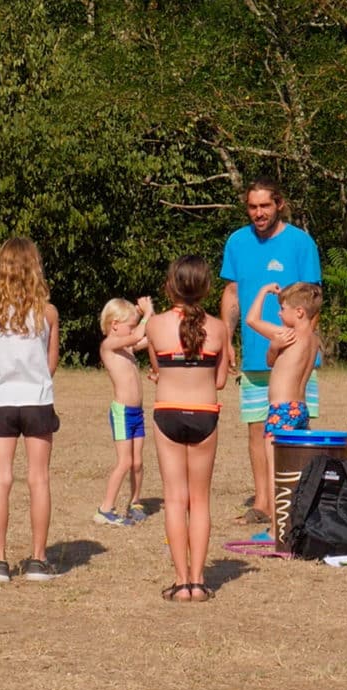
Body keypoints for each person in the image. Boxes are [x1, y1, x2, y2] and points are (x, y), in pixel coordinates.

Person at [220, 177, 321, 524]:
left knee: (295, 434)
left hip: (292, 360)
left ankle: (297, 501)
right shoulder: (236, 242)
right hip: (254, 354)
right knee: (256, 428)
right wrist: (225, 340)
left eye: (265, 205)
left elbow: (313, 299)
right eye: (252, 206)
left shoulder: (301, 243)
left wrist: (307, 349)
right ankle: (263, 503)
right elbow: (232, 294)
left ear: (279, 204)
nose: (258, 213)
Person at [146, 255, 229, 602]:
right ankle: (198, 581)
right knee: (200, 500)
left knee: (175, 500)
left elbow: (157, 370)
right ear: (206, 288)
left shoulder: (155, 326)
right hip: (204, 413)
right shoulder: (220, 328)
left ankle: (180, 582)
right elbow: (221, 380)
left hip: (167, 413)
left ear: (170, 286)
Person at [0, 237, 60, 583]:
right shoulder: (48, 312)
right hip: (37, 398)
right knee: (38, 478)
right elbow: (50, 362)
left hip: (1, 401)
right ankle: (39, 560)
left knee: (0, 479)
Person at [245, 281, 323, 507]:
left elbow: (251, 320)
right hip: (300, 409)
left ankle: (274, 525)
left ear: (299, 312)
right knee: (296, 470)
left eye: (283, 308)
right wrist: (273, 346)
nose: (279, 313)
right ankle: (294, 519)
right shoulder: (313, 340)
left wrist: (261, 291)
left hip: (281, 410)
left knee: (275, 468)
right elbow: (272, 362)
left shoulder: (288, 334)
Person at [96, 295, 154, 526]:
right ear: (114, 325)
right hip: (122, 412)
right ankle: (105, 508)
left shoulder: (126, 346)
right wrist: (146, 313)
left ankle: (135, 501)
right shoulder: (109, 345)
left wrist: (148, 315)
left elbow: (148, 337)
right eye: (128, 326)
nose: (132, 330)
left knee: (138, 462)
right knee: (125, 462)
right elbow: (140, 334)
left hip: (137, 412)